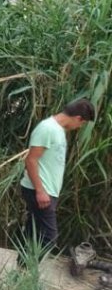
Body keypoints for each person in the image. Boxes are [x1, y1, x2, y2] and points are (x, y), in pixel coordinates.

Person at [21, 98, 95, 250]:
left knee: (33, 232)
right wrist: (41, 191)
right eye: (82, 123)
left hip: (46, 191)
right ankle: (30, 269)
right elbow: (31, 160)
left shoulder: (58, 130)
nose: (80, 127)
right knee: (49, 237)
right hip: (39, 190)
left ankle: (23, 269)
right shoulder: (47, 128)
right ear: (78, 118)